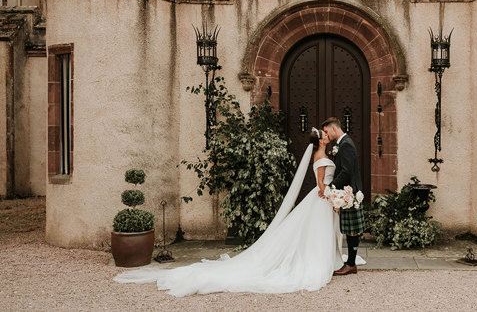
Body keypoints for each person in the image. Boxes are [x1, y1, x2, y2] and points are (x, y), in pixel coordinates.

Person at [113, 127, 363, 296]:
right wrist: (330, 192)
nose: (328, 136)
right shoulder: (321, 155)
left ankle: (330, 259)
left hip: (323, 201)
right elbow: (321, 185)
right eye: (326, 135)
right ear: (321, 140)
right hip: (321, 199)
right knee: (315, 233)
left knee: (315, 234)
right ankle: (320, 261)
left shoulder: (325, 152)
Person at [321, 116, 365, 275]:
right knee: (350, 229)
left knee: (352, 229)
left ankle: (351, 264)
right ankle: (351, 263)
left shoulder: (346, 145)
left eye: (327, 131)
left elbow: (346, 171)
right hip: (348, 191)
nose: (327, 135)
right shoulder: (343, 144)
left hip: (350, 192)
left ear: (334, 128)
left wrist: (332, 187)